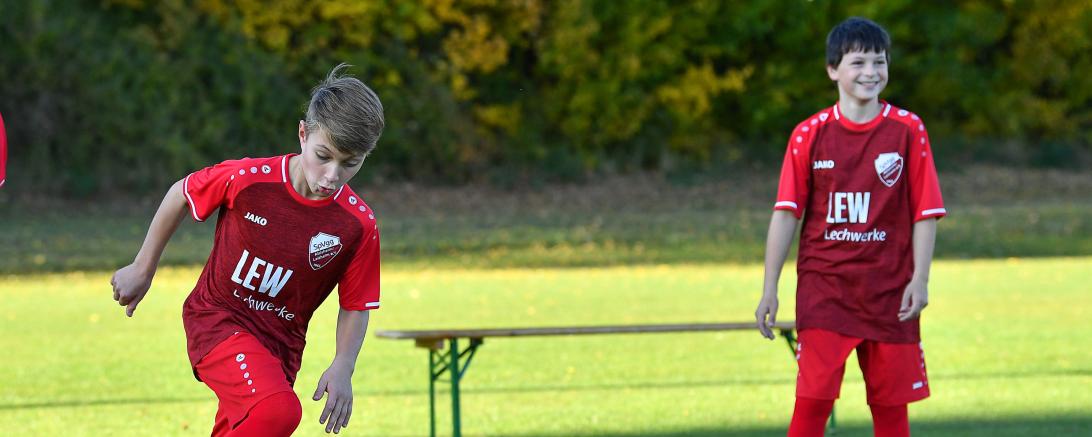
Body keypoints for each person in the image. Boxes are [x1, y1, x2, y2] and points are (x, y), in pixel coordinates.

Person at [111, 64, 384, 436]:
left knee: (253, 422)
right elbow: (182, 192)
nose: (332, 175)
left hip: (280, 348)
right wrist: (143, 267)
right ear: (303, 135)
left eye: (350, 164)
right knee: (279, 412)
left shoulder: (358, 225)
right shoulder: (249, 181)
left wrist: (343, 365)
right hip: (216, 320)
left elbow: (355, 304)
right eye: (323, 156)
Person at [754, 17, 945, 437]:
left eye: (879, 61)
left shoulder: (908, 130)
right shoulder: (809, 135)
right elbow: (786, 213)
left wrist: (920, 279)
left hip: (890, 291)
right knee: (813, 403)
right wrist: (770, 287)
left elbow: (925, 212)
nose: (871, 72)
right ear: (833, 70)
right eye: (858, 63)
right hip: (827, 290)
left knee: (891, 410)